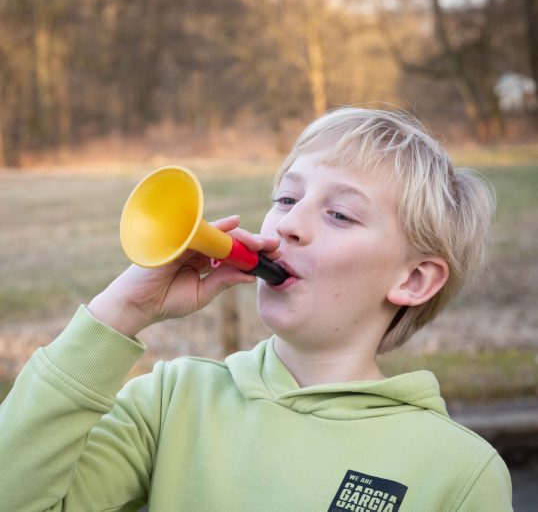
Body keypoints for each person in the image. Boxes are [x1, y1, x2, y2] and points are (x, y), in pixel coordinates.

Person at [0, 107, 512, 511]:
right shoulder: (170, 400)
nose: (288, 225)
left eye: (339, 213)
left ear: (413, 279)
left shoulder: (460, 471)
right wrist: (121, 310)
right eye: (286, 199)